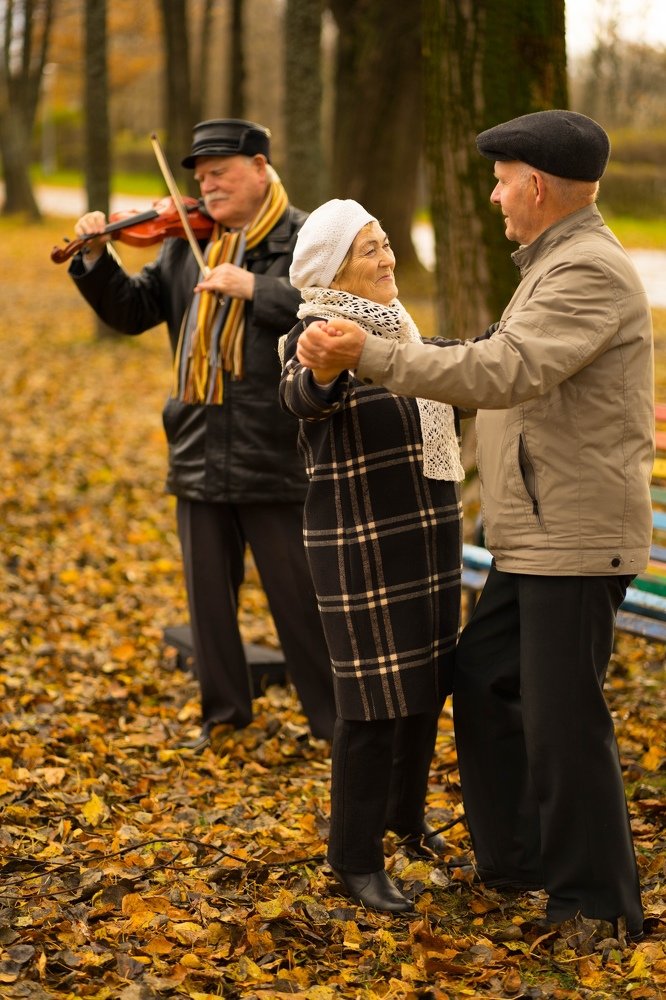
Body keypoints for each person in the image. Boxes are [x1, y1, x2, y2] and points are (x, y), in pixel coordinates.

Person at [294, 111, 654, 940]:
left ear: (536, 185)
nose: (493, 197)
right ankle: (519, 860)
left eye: (501, 182)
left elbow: (504, 368)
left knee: (565, 724)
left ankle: (597, 904)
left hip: (574, 535)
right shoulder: (551, 262)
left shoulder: (586, 269)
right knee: (488, 679)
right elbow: (495, 355)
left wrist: (371, 356)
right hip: (535, 533)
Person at [67, 118, 336, 751]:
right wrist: (96, 259)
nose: (207, 186)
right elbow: (134, 310)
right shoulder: (185, 244)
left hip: (276, 449)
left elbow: (336, 313)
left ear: (261, 168)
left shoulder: (306, 240)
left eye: (220, 173)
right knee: (209, 606)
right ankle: (225, 719)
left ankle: (335, 726)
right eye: (201, 176)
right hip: (196, 443)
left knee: (300, 603)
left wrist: (257, 289)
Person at [279, 199, 465, 912]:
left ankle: (404, 819)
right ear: (333, 272)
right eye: (370, 249)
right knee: (372, 704)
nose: (388, 257)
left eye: (386, 242)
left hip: (427, 537)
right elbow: (302, 395)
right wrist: (324, 370)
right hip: (361, 548)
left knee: (423, 689)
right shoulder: (314, 334)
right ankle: (353, 858)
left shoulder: (401, 331)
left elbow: (458, 369)